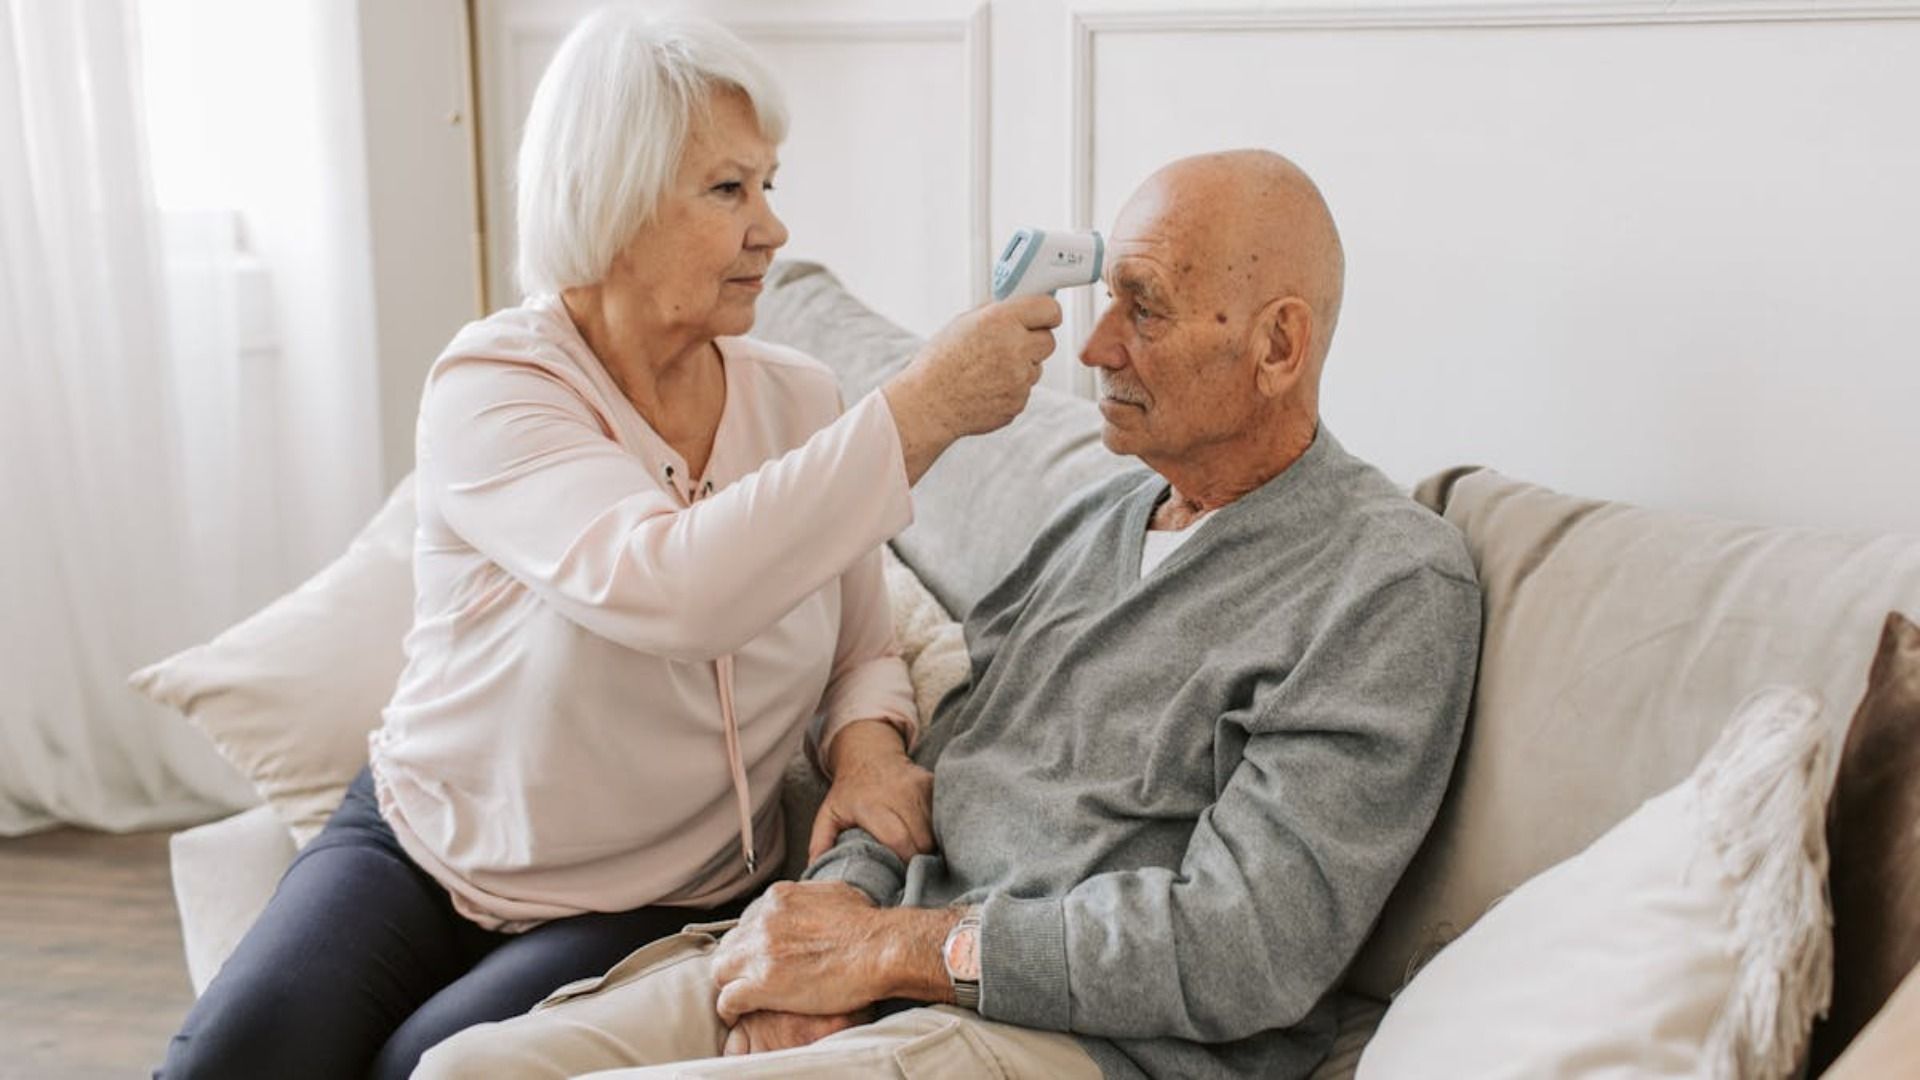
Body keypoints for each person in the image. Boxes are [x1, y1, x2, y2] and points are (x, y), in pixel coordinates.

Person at [414, 149, 1484, 1079]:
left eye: (1144, 308)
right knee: (463, 1068)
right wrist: (830, 922)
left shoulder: (1385, 583)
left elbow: (1246, 948)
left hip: (1059, 1037)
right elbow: (935, 773)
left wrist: (897, 953)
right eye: (1106, 301)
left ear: (1279, 347)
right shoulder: (1098, 523)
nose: (1095, 348)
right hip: (887, 961)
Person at [155, 10, 1060, 1080]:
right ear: (611, 201)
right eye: (728, 190)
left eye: (769, 184)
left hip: (659, 892)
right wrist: (922, 409)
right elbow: (672, 587)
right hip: (423, 846)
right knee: (230, 1061)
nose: (772, 228)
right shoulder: (496, 385)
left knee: (420, 1070)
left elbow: (862, 647)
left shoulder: (804, 404)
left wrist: (866, 749)